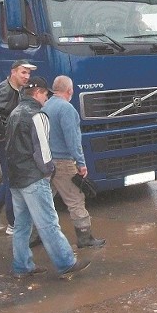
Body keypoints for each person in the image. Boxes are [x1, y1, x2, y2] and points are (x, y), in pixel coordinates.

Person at [6, 76, 90, 278]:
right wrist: (48, 172)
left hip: (15, 177)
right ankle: (66, 262)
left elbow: (8, 145)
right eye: (45, 94)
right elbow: (44, 150)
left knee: (22, 225)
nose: (46, 98)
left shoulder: (15, 113)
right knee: (48, 223)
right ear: (37, 93)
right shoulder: (38, 115)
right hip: (34, 178)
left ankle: (22, 266)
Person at [42, 75, 105, 248]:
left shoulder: (45, 106)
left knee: (45, 199)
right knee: (76, 199)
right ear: (69, 91)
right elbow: (72, 139)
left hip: (47, 162)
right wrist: (81, 163)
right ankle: (85, 237)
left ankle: (34, 234)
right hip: (63, 162)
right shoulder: (67, 109)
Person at [0, 59, 36, 234]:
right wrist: (4, 133)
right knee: (12, 180)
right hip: (3, 141)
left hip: (6, 140)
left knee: (10, 178)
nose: (27, 76)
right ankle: (12, 223)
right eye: (23, 72)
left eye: (28, 73)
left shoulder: (17, 90)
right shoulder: (6, 89)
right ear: (13, 72)